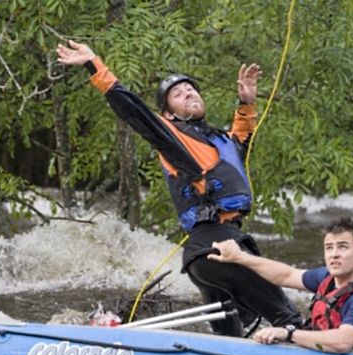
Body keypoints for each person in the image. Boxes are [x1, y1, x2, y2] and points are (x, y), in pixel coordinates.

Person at [56, 40, 302, 336]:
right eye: (178, 94)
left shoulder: (219, 140)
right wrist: (94, 64)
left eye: (191, 90)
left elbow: (241, 139)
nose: (189, 93)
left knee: (230, 341)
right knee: (289, 319)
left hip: (207, 259)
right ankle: (311, 343)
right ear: (169, 114)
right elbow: (133, 110)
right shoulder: (173, 139)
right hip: (219, 248)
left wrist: (247, 102)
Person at [208, 217, 353, 353]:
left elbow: (343, 342)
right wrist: (239, 257)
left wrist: (288, 334)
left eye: (343, 247)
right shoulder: (328, 278)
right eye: (329, 248)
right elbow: (286, 275)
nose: (334, 254)